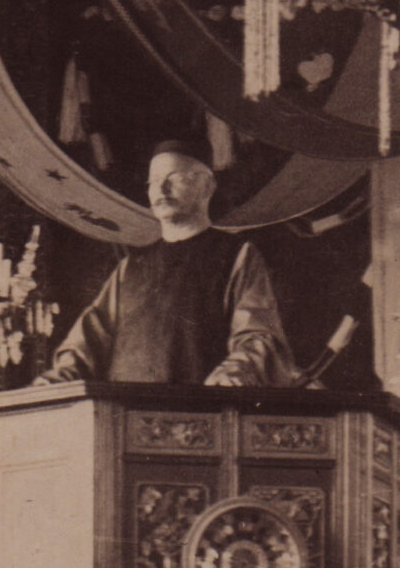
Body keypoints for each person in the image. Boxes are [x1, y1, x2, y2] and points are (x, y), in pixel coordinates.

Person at [41, 141, 295, 388]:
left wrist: (233, 375)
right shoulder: (131, 268)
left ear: (207, 187)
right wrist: (56, 380)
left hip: (199, 409)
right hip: (125, 411)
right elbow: (85, 343)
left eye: (175, 178)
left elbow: (259, 338)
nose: (161, 189)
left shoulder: (237, 255)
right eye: (154, 181)